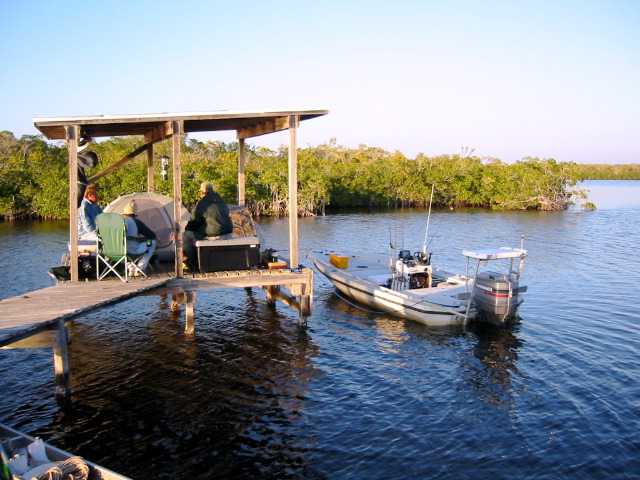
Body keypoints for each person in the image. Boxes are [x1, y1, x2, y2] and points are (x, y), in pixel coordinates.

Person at [183, 181, 234, 268]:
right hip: (228, 233)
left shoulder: (202, 203)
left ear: (202, 193)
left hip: (213, 235)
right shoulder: (221, 200)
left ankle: (193, 262)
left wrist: (188, 229)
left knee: (186, 235)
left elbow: (194, 222)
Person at [122, 201, 157, 277]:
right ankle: (140, 268)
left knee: (126, 243)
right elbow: (151, 235)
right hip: (133, 250)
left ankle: (130, 267)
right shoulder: (135, 222)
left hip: (118, 251)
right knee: (152, 242)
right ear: (134, 215)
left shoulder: (117, 222)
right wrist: (143, 239)